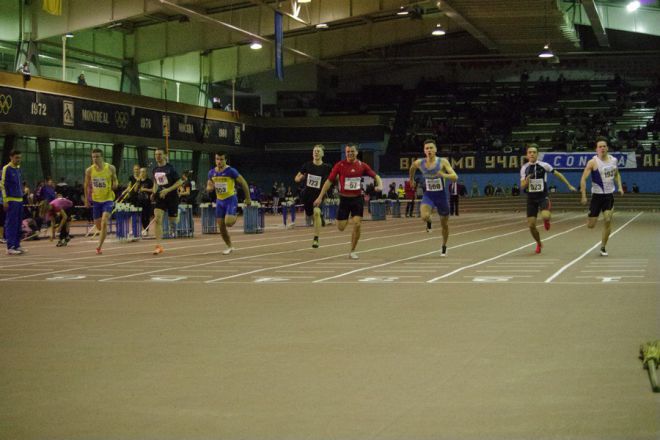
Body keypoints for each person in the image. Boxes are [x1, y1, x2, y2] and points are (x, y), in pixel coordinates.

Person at [314, 143, 382, 259]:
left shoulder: (362, 165)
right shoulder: (339, 165)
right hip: (344, 199)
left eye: (352, 151)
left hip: (357, 199)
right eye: (348, 152)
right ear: (345, 153)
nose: (350, 153)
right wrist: (320, 197)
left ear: (356, 152)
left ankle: (352, 251)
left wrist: (379, 185)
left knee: (357, 224)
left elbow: (376, 176)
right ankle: (347, 220)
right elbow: (328, 182)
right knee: (341, 227)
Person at [520, 143, 576, 254]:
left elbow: (558, 174)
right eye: (530, 152)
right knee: (531, 225)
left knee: (545, 216)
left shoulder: (544, 165)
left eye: (534, 152)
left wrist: (569, 185)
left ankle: (546, 220)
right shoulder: (524, 168)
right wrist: (527, 181)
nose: (532, 154)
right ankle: (539, 243)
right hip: (531, 198)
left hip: (542, 196)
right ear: (527, 154)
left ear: (537, 154)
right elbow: (522, 186)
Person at [409, 139, 458, 257]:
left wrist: (443, 175)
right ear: (424, 151)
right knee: (424, 216)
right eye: (427, 148)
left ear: (435, 149)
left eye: (431, 148)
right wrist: (411, 179)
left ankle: (444, 246)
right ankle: (429, 222)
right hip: (429, 195)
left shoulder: (442, 162)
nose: (429, 150)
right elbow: (412, 168)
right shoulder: (419, 163)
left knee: (444, 225)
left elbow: (455, 177)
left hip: (441, 196)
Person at [579, 137, 624, 257]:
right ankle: (592, 215)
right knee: (591, 225)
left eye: (604, 146)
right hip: (597, 197)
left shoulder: (613, 161)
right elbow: (583, 179)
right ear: (596, 149)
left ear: (607, 148)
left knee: (608, 219)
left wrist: (619, 186)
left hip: (609, 196)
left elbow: (617, 174)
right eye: (600, 146)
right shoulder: (592, 162)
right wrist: (583, 195)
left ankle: (603, 247)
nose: (602, 148)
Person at [206, 152, 251, 255]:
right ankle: (229, 246)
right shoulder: (211, 172)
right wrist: (209, 188)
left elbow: (243, 182)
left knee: (228, 223)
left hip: (230, 199)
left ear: (225, 160)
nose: (219, 162)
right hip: (219, 201)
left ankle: (235, 213)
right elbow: (209, 185)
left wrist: (248, 198)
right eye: (217, 159)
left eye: (221, 159)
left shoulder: (231, 171)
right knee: (221, 227)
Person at [294, 144, 332, 248]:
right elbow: (296, 178)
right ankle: (320, 217)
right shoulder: (307, 165)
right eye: (314, 151)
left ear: (322, 154)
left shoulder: (327, 167)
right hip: (307, 195)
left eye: (318, 151)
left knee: (316, 212)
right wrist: (301, 178)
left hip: (319, 195)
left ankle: (316, 239)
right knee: (310, 215)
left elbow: (334, 178)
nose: (316, 152)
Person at [84, 148, 118, 254]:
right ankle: (103, 233)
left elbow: (115, 179)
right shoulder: (89, 170)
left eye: (97, 156)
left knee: (104, 222)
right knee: (98, 226)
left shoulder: (110, 168)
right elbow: (86, 185)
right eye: (93, 157)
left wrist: (115, 184)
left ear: (102, 157)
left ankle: (99, 246)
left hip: (108, 199)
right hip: (96, 200)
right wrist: (86, 199)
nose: (95, 159)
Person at [152, 148, 185, 255]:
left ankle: (177, 213)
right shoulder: (155, 169)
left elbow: (180, 182)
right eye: (156, 154)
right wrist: (153, 193)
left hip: (172, 196)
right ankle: (158, 246)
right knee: (157, 218)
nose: (157, 156)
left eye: (160, 154)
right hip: (161, 197)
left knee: (173, 220)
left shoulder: (170, 169)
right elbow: (156, 183)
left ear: (165, 155)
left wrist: (168, 190)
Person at [1, 150, 25, 255]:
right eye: (16, 158)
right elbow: (2, 185)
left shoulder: (18, 169)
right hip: (11, 200)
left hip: (20, 200)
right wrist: (5, 200)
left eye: (19, 158)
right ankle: (10, 247)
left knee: (19, 224)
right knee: (11, 224)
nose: (18, 160)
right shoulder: (6, 169)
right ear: (11, 157)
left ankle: (17, 245)